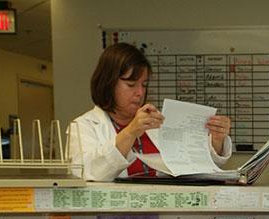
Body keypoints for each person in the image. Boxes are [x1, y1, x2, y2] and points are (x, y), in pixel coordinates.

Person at [68, 43, 232, 181]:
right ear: (108, 83)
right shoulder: (83, 126)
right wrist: (131, 132)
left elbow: (195, 167)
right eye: (131, 85)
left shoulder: (157, 122)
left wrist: (216, 142)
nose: (140, 92)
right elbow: (88, 173)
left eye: (144, 85)